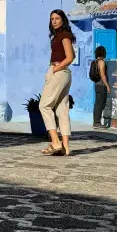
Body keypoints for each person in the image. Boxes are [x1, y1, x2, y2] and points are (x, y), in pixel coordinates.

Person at [41, 9, 75, 157]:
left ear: (63, 20)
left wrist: (55, 69)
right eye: (52, 19)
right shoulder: (58, 36)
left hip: (59, 72)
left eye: (57, 18)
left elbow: (70, 57)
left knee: (44, 105)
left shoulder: (64, 35)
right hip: (62, 73)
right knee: (62, 109)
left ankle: (55, 142)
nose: (54, 21)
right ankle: (65, 147)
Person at [90, 46, 110, 128]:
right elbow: (102, 74)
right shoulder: (101, 62)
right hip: (102, 85)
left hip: (97, 84)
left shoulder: (95, 61)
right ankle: (97, 122)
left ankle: (96, 122)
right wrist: (107, 85)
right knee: (100, 104)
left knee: (97, 103)